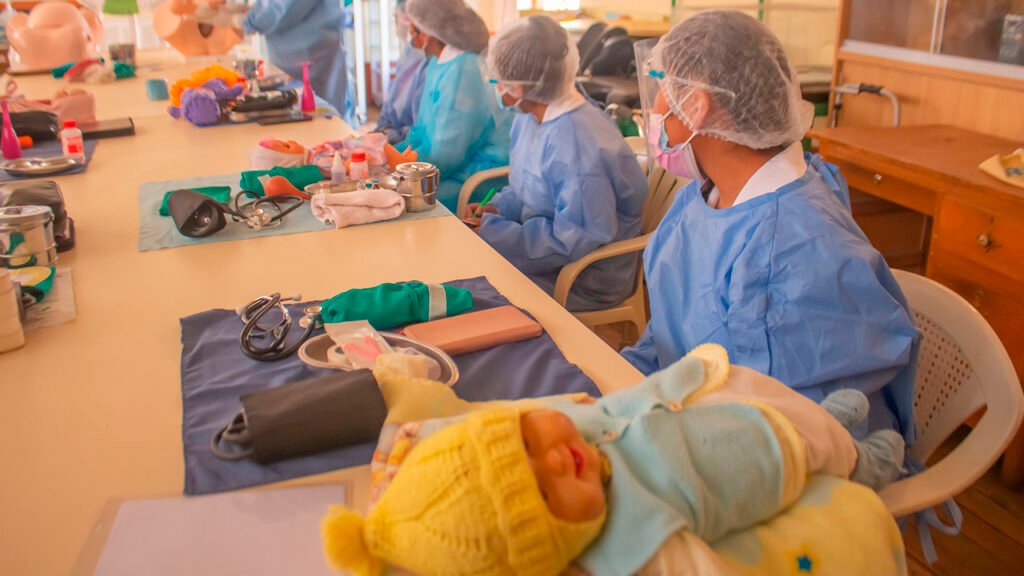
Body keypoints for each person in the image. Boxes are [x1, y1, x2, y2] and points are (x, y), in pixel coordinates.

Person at [321, 345, 906, 576]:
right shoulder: (634, 543)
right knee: (823, 443)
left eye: (527, 443)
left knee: (785, 400)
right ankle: (865, 461)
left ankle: (828, 416)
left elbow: (445, 431)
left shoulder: (565, 430)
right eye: (544, 494)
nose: (557, 459)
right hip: (772, 457)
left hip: (712, 402)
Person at [621, 11, 919, 441]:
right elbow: (670, 337)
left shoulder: (788, 254)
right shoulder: (706, 196)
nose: (653, 109)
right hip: (693, 416)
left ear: (697, 106)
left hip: (774, 460)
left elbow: (784, 441)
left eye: (661, 86)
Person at [467, 15, 648, 312]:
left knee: (476, 295)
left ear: (520, 86)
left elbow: (576, 237)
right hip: (548, 253)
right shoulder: (531, 115)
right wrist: (498, 209)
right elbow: (526, 185)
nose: (496, 86)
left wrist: (495, 233)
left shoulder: (577, 143)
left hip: (583, 274)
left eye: (499, 79)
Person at [399, 0, 512, 212]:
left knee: (403, 202)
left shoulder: (464, 69)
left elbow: (448, 154)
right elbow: (423, 130)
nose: (410, 33)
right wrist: (392, 155)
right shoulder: (439, 62)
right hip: (447, 168)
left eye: (415, 28)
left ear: (432, 31)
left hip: (475, 177)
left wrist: (403, 170)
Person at [244, 0, 348, 117]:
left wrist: (246, 21)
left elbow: (286, 10)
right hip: (293, 52)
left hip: (310, 51)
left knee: (322, 116)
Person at [375, 0, 428, 145]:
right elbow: (391, 103)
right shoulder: (409, 53)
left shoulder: (433, 64)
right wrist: (380, 131)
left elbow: (424, 130)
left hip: (408, 145)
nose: (409, 31)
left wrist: (391, 136)